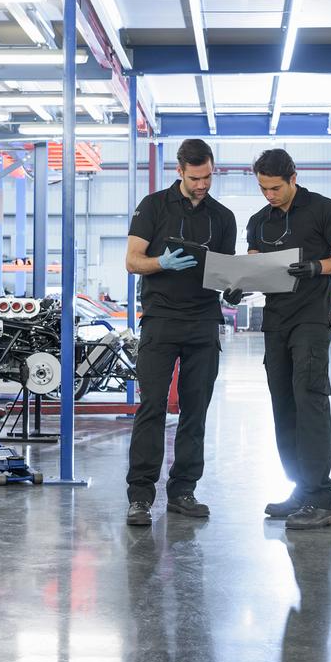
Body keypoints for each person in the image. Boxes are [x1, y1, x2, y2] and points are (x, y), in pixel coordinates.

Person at [124, 138, 238, 525]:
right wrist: (161, 263)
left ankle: (183, 491)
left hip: (204, 320)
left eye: (208, 176)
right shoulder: (153, 206)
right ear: (180, 171)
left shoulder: (222, 217)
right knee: (152, 407)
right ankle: (140, 496)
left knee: (195, 412)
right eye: (195, 178)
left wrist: (235, 286)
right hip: (160, 320)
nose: (203, 184)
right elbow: (133, 261)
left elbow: (225, 272)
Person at [247, 147, 331, 529]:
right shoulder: (259, 221)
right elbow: (254, 267)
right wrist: (237, 285)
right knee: (284, 407)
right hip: (275, 322)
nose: (270, 195)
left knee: (309, 402)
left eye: (276, 188)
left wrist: (316, 267)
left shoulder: (321, 208)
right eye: (263, 188)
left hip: (310, 321)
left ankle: (322, 498)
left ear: (293, 178)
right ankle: (300, 492)